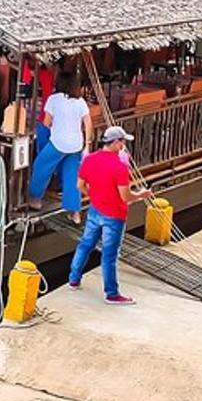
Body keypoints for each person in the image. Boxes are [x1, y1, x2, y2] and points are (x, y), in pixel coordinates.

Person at [70, 125, 153, 306]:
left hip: (95, 210)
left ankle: (74, 279)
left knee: (85, 245)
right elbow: (125, 196)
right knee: (109, 255)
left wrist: (93, 196)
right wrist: (141, 195)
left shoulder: (89, 160)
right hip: (114, 215)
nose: (123, 145)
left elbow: (80, 185)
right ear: (115, 142)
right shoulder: (119, 167)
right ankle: (112, 293)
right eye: (122, 141)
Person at [28, 72, 91, 223]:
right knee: (72, 176)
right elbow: (88, 123)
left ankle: (35, 199)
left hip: (59, 143)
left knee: (41, 166)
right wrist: (87, 144)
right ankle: (75, 213)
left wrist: (40, 140)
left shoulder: (53, 100)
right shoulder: (80, 102)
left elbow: (46, 123)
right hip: (76, 144)